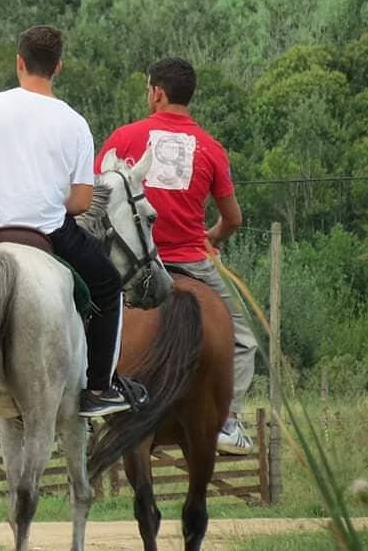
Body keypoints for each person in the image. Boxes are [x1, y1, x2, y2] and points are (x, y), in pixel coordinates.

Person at [0, 25, 133, 418]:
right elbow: (81, 201)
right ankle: (98, 388)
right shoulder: (76, 123)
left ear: (19, 62)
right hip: (48, 232)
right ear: (58, 67)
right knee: (108, 286)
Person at [97, 56, 255, 454]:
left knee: (83, 322)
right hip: (191, 260)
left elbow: (95, 199)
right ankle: (229, 421)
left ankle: (87, 401)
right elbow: (233, 218)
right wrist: (211, 237)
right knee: (242, 339)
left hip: (130, 269)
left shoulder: (124, 138)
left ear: (157, 93)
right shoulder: (212, 148)